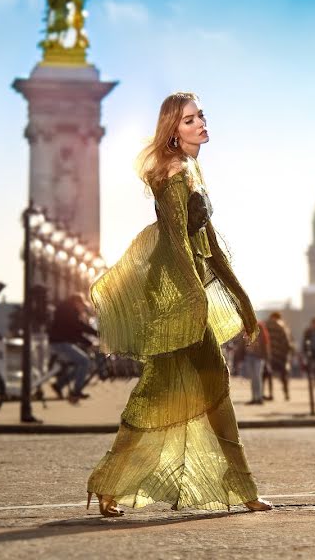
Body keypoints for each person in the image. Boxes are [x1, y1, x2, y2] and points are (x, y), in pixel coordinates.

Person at [85, 92, 272, 517]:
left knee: (163, 393)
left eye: (201, 115)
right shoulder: (174, 173)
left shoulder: (192, 169)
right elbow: (176, 244)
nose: (201, 123)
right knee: (207, 390)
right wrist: (194, 303)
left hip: (188, 299)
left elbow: (207, 244)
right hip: (182, 304)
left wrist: (242, 301)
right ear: (173, 130)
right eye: (189, 119)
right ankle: (244, 491)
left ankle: (108, 486)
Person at [48, 294, 96, 403]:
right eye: (81, 305)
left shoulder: (67, 311)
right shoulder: (69, 312)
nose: (82, 308)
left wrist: (88, 341)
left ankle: (59, 385)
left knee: (80, 365)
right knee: (84, 361)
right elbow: (78, 327)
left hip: (61, 342)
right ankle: (76, 391)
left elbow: (75, 331)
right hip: (60, 343)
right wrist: (96, 334)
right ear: (76, 302)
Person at [265, 312, 292, 401]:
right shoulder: (282, 326)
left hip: (269, 355)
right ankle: (286, 393)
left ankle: (270, 393)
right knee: (284, 376)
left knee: (267, 375)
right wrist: (287, 353)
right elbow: (286, 342)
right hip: (280, 356)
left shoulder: (265, 325)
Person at [244, 320, 270, 405]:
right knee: (253, 378)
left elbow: (265, 343)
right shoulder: (247, 330)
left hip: (258, 357)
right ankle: (254, 397)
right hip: (250, 356)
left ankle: (259, 398)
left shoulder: (260, 328)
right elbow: (243, 344)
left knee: (257, 377)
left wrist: (266, 357)